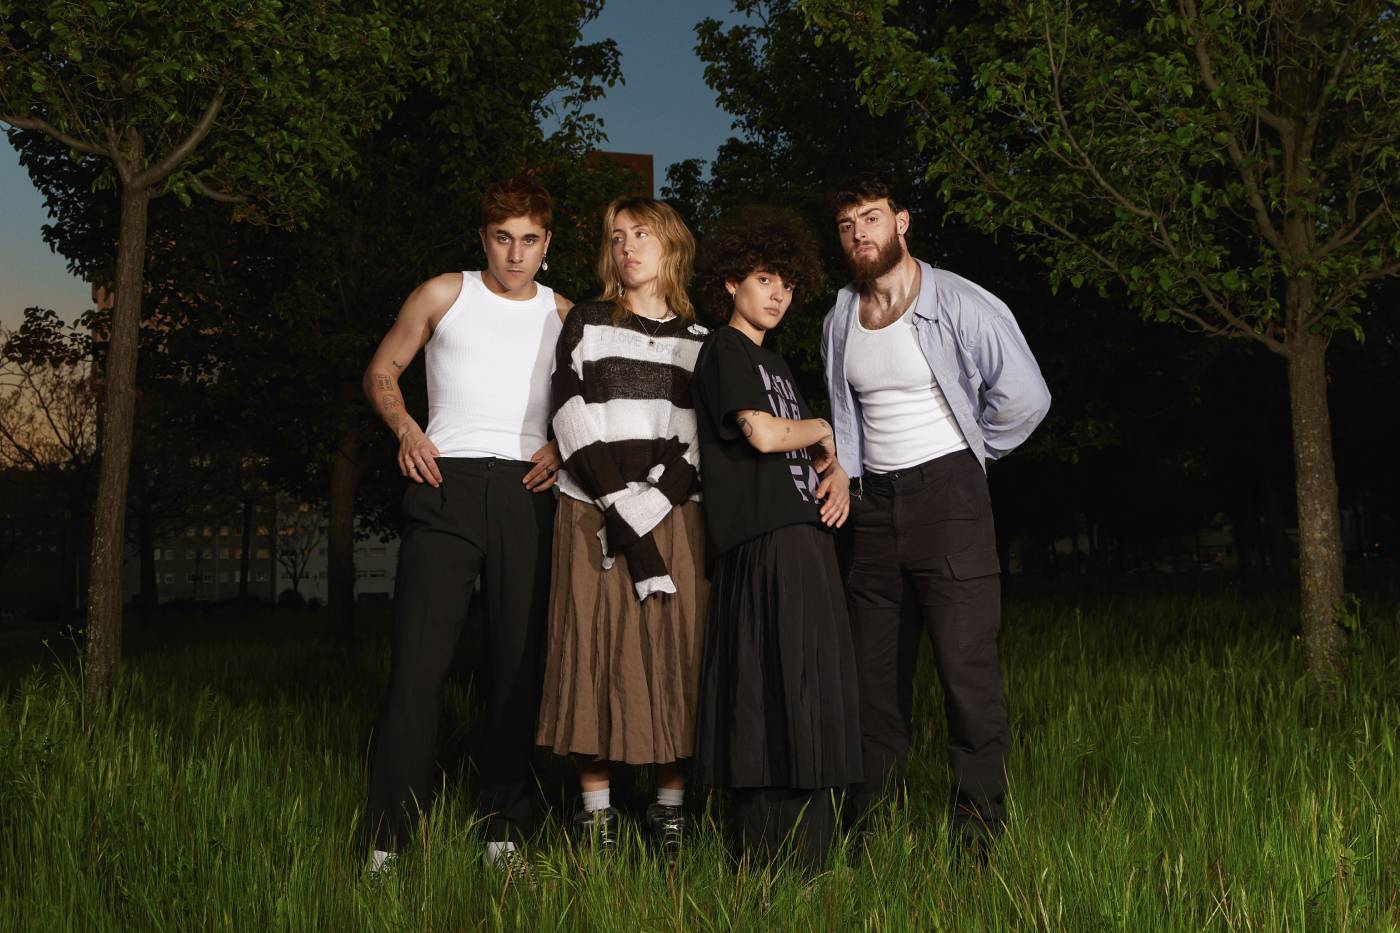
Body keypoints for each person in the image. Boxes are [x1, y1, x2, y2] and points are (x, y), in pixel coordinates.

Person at [821, 173, 1051, 852]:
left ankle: (978, 835)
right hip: (872, 509)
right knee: (872, 680)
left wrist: (969, 454)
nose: (859, 234)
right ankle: (872, 831)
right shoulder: (839, 316)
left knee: (965, 674)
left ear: (902, 223)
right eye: (846, 225)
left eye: (870, 218)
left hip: (949, 499)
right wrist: (847, 476)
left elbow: (1027, 398)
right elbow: (845, 417)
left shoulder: (959, 302)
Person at [363, 176, 572, 882]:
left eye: (529, 240)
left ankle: (503, 835)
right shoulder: (442, 294)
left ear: (547, 243)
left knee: (517, 668)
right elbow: (383, 371)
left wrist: (563, 444)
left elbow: (591, 403)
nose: (515, 254)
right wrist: (406, 428)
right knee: (418, 668)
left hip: (527, 491)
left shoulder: (565, 314)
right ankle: (388, 841)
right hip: (443, 483)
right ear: (484, 239)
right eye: (502, 238)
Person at [690, 207, 863, 873]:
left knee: (811, 689)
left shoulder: (778, 364)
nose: (778, 295)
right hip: (760, 544)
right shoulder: (724, 350)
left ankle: (812, 858)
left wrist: (835, 472)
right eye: (765, 279)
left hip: (805, 539)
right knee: (765, 694)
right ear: (731, 282)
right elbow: (763, 434)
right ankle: (765, 861)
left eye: (788, 284)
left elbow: (808, 450)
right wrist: (821, 429)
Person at [536, 196, 708, 863]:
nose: (627, 247)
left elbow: (694, 441)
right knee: (592, 650)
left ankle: (669, 811)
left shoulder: (701, 341)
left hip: (671, 517)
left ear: (672, 245)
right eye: (616, 237)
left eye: (641, 234)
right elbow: (568, 413)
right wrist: (616, 503)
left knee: (675, 653)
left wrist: (648, 506)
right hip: (590, 512)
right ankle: (597, 817)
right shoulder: (585, 320)